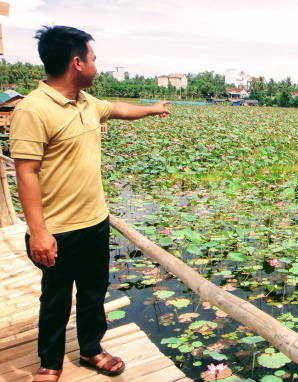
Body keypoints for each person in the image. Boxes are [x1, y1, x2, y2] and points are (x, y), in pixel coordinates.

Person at [9, 25, 170, 382]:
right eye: (94, 59)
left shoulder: (87, 103)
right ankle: (50, 362)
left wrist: (153, 109)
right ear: (77, 63)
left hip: (94, 222)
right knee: (55, 300)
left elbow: (120, 109)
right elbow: (26, 173)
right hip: (57, 230)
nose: (97, 66)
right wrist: (38, 232)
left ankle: (91, 349)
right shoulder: (33, 110)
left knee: (93, 294)